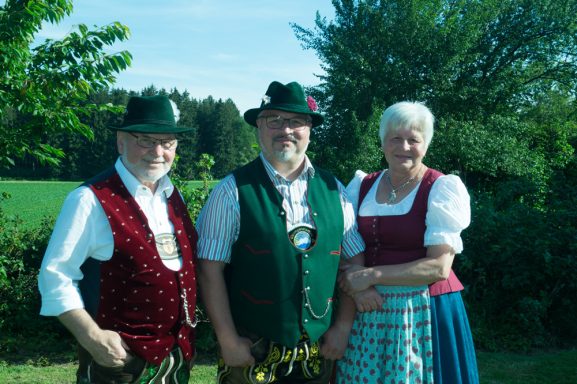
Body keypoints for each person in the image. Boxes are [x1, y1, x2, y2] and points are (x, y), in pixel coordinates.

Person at [196, 81, 368, 384]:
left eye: (296, 121)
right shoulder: (231, 191)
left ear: (310, 129)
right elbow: (209, 270)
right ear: (259, 128)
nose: (285, 129)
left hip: (316, 353)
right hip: (251, 350)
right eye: (274, 120)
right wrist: (227, 339)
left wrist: (342, 326)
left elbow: (354, 262)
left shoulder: (334, 190)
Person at [38, 95, 199, 384]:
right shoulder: (89, 199)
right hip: (118, 366)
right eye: (146, 140)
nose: (158, 151)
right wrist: (94, 338)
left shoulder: (173, 196)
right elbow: (55, 276)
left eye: (168, 142)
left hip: (176, 361)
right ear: (121, 141)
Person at [336, 101, 479, 383]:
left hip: (424, 310)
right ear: (383, 143)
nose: (404, 146)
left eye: (414, 139)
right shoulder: (361, 186)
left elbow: (438, 267)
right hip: (368, 309)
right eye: (395, 138)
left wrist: (370, 276)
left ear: (426, 145)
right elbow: (341, 246)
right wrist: (358, 289)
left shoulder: (441, 188)